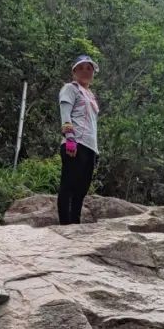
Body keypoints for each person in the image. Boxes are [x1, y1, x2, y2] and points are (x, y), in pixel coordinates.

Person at [57, 56, 100, 225]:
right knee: (69, 185)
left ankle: (75, 223)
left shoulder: (90, 95)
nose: (85, 71)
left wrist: (96, 149)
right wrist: (69, 138)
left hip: (90, 146)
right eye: (81, 68)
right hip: (75, 143)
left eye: (89, 68)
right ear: (74, 71)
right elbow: (65, 113)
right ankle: (65, 226)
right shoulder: (70, 88)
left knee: (81, 189)